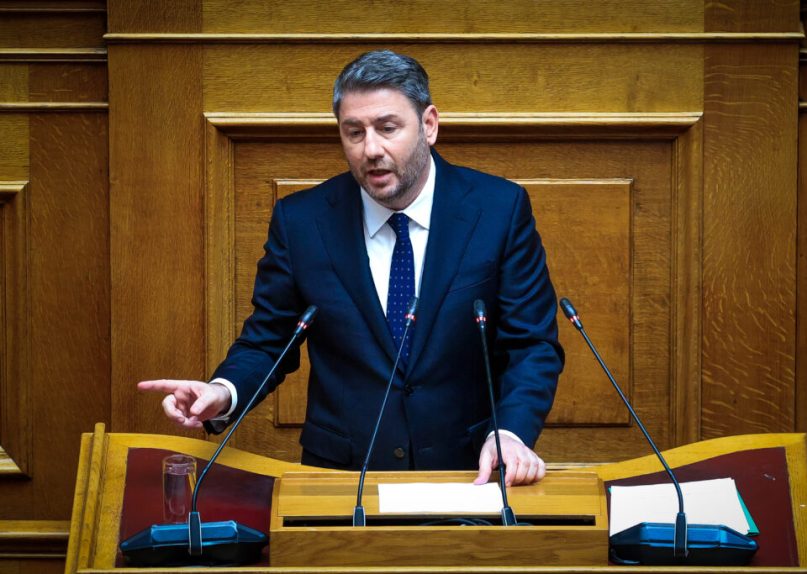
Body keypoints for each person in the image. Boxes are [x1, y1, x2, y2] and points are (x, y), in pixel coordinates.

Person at [139, 50, 563, 486]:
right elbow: (270, 341)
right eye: (354, 132)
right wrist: (223, 391)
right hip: (342, 479)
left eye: (387, 128)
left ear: (429, 125)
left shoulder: (498, 210)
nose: (371, 149)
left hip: (470, 472)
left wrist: (509, 432)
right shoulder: (302, 222)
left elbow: (531, 344)